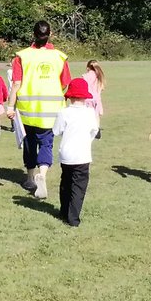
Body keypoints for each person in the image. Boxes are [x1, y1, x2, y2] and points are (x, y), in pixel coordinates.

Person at [6, 20, 71, 199]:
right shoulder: (59, 57)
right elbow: (65, 84)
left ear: (33, 34)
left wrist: (10, 106)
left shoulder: (22, 56)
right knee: (46, 144)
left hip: (27, 111)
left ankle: (30, 178)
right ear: (50, 34)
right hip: (51, 112)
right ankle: (42, 173)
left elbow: (16, 84)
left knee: (29, 144)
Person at [53, 78, 99, 227]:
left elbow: (56, 131)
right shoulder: (90, 113)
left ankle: (64, 211)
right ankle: (73, 218)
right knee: (78, 187)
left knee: (66, 183)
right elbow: (94, 130)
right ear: (85, 97)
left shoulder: (63, 112)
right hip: (83, 154)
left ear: (70, 96)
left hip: (66, 154)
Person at [82, 59, 106, 140]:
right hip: (97, 99)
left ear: (88, 67)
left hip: (87, 99)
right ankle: (97, 130)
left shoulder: (85, 76)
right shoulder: (99, 76)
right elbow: (102, 88)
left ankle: (88, 129)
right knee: (96, 116)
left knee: (87, 115)